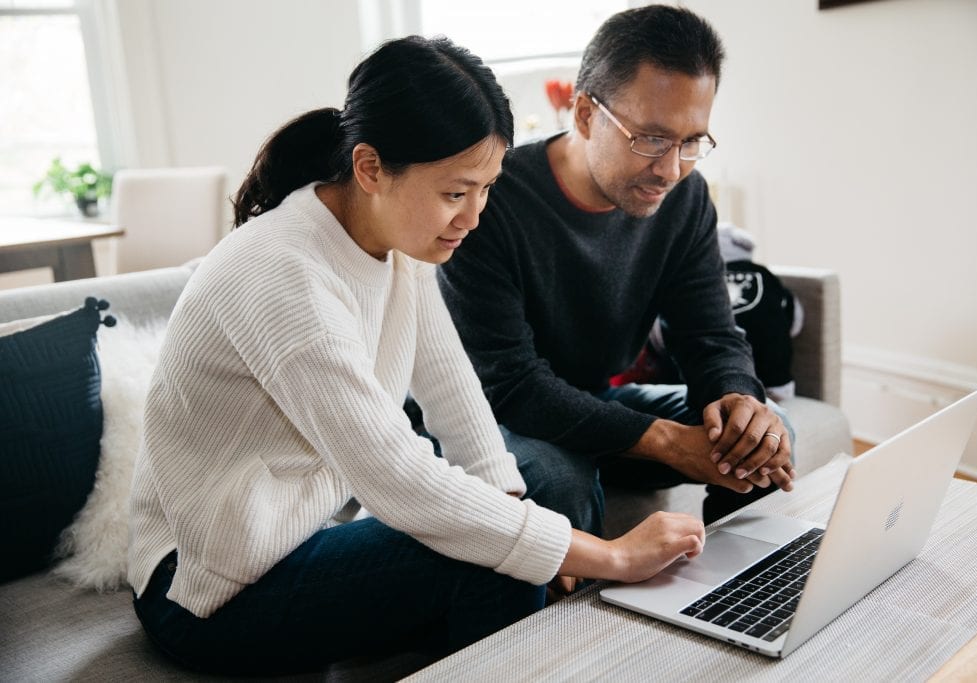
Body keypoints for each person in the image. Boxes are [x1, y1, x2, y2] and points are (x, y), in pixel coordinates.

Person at [126, 35, 705, 677]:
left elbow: (456, 396)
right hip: (209, 585)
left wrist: (519, 505)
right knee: (494, 557)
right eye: (456, 193)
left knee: (536, 491)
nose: (473, 217)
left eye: (485, 189)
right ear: (371, 168)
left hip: (299, 535)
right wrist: (608, 556)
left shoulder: (398, 241)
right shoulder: (280, 274)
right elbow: (398, 478)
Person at [438, 5, 796, 538]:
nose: (671, 169)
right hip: (492, 416)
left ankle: (722, 608)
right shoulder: (491, 198)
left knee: (764, 440)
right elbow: (512, 386)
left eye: (691, 142)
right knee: (561, 481)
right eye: (651, 139)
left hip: (593, 401)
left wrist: (738, 400)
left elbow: (710, 335)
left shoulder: (686, 199)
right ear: (584, 114)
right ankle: (572, 628)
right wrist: (668, 441)